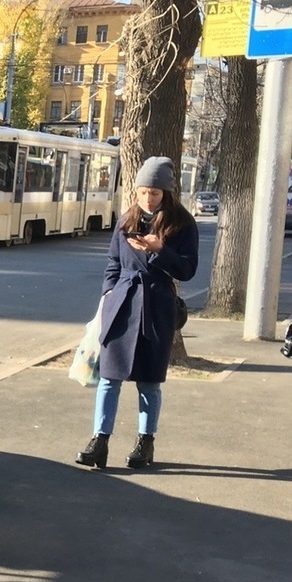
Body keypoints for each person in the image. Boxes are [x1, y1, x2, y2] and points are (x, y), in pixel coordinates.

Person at [76, 157, 198, 471]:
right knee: (109, 377)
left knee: (149, 381)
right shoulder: (127, 219)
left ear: (167, 193)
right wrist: (108, 295)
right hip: (122, 304)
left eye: (155, 193)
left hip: (156, 306)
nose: (148, 199)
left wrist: (160, 251)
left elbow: (187, 270)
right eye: (143, 191)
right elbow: (113, 263)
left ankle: (145, 441)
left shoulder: (182, 223)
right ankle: (99, 440)